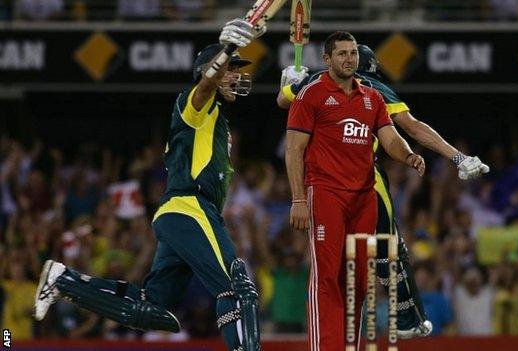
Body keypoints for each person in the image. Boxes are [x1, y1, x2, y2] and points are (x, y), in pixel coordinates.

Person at [33, 18, 265, 351]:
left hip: (181, 215)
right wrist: (226, 49)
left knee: (152, 307)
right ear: (210, 70)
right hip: (191, 208)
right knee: (237, 288)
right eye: (230, 68)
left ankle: (65, 281)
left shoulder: (216, 119)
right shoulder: (195, 104)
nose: (236, 75)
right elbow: (204, 85)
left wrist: (293, 93)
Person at [277, 43, 489, 338]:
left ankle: (353, 330)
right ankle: (406, 319)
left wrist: (288, 81)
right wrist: (458, 157)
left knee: (338, 269)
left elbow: (284, 101)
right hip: (362, 179)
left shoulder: (313, 81)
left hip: (321, 184)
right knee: (388, 246)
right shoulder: (371, 88)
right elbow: (413, 128)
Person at [283, 31, 426, 351]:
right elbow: (293, 150)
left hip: (364, 199)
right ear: (326, 60)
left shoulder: (372, 98)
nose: (349, 59)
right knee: (327, 277)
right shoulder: (312, 94)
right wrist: (297, 199)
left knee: (360, 280)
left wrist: (408, 155)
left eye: (352, 54)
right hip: (326, 193)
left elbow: (389, 138)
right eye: (342, 54)